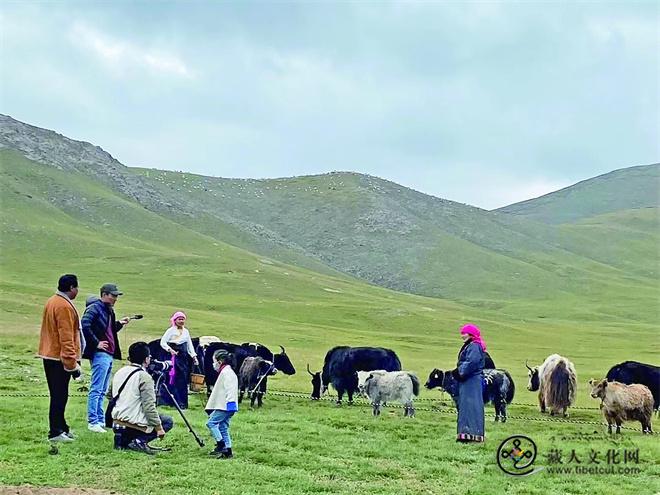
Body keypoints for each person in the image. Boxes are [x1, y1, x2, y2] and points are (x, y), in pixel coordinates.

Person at [38, 274, 82, 442]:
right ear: (71, 288)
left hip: (50, 354)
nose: (77, 291)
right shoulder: (63, 306)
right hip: (59, 358)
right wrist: (71, 364)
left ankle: (62, 427)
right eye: (76, 288)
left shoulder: (52, 301)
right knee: (59, 395)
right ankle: (55, 432)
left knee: (59, 394)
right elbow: (66, 336)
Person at [82, 283, 130, 433]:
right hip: (100, 353)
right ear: (104, 294)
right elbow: (84, 325)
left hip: (109, 352)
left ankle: (100, 420)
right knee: (97, 388)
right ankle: (93, 421)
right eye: (113, 295)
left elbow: (107, 329)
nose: (115, 298)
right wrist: (96, 343)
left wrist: (119, 324)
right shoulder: (95, 308)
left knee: (102, 389)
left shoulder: (108, 311)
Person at [111, 341, 174, 455]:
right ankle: (140, 441)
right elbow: (149, 406)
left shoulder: (120, 371)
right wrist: (159, 428)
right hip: (132, 422)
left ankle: (124, 440)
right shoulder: (144, 376)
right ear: (146, 359)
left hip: (116, 420)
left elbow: (109, 394)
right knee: (167, 421)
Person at [452, 323, 486, 443]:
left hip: (471, 380)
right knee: (468, 406)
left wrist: (460, 372)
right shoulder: (472, 345)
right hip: (469, 380)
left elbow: (472, 362)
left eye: (464, 333)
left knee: (471, 406)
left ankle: (470, 435)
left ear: (471, 334)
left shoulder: (474, 346)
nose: (462, 336)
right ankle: (467, 434)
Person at [159, 311, 199, 409]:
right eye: (179, 319)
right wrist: (170, 350)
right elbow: (163, 342)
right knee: (171, 378)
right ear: (175, 320)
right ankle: (169, 401)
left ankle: (182, 403)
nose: (181, 321)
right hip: (172, 356)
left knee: (182, 380)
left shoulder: (186, 332)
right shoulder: (170, 331)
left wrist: (194, 356)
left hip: (183, 358)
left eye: (182, 319)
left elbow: (189, 345)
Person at [205, 349, 238, 458]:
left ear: (220, 362)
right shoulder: (227, 372)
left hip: (224, 405)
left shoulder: (226, 373)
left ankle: (221, 444)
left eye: (214, 361)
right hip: (226, 405)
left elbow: (230, 389)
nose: (213, 364)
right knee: (223, 427)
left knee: (211, 423)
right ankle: (228, 451)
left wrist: (231, 403)